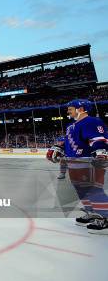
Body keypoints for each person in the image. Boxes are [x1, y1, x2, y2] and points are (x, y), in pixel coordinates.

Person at [46, 99, 108, 234]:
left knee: (93, 190)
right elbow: (69, 141)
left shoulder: (92, 121)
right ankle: (93, 213)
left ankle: (106, 218)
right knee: (81, 190)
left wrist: (101, 153)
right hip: (74, 163)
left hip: (88, 162)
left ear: (81, 109)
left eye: (71, 108)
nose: (68, 111)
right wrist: (59, 147)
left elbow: (99, 139)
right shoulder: (71, 125)